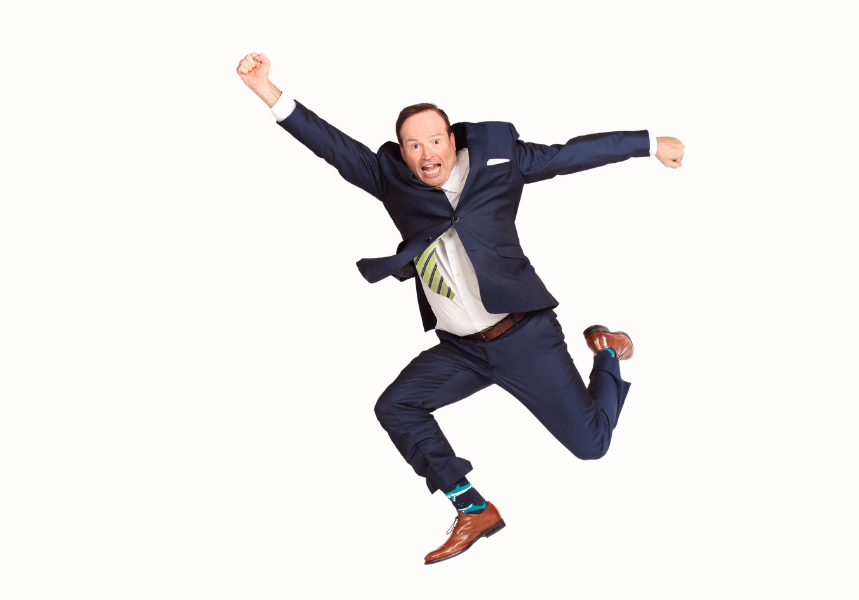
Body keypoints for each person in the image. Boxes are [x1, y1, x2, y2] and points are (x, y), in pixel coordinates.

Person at [235, 52, 685, 565]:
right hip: (461, 351)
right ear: (402, 154)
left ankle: (607, 351)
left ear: (452, 140)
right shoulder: (392, 183)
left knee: (592, 445)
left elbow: (571, 154)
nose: (426, 153)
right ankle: (472, 506)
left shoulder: (500, 164)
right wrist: (267, 90)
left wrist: (649, 144)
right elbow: (331, 145)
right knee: (396, 407)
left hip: (523, 336)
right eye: (413, 145)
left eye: (434, 140)